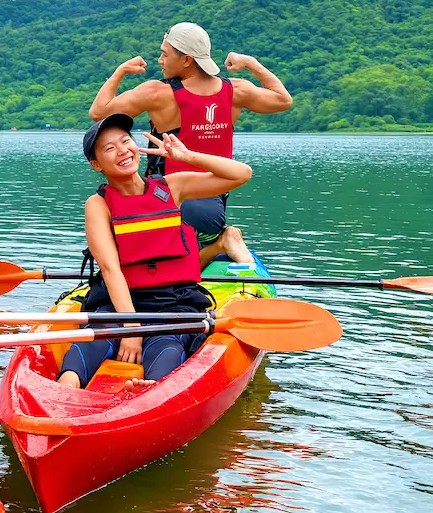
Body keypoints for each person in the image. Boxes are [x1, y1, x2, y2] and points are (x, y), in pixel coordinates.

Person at [58, 113, 253, 391]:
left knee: (168, 350)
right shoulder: (98, 204)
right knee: (88, 347)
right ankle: (64, 391)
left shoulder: (172, 186)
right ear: (96, 164)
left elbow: (242, 173)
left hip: (173, 305)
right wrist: (130, 327)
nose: (122, 150)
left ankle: (146, 392)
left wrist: (186, 156)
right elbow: (111, 270)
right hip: (119, 306)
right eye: (110, 148)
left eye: (126, 141)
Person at [88, 22, 292, 267]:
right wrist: (251, 63)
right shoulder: (236, 89)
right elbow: (283, 100)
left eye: (165, 54)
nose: (160, 60)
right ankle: (219, 240)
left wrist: (119, 72)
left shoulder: (156, 93)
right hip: (213, 201)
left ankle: (221, 243)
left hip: (166, 199)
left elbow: (99, 113)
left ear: (186, 60)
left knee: (152, 265)